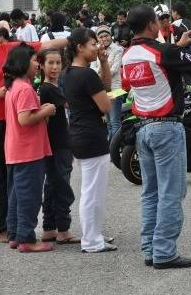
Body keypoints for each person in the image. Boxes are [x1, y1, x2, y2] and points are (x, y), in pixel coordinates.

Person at [0, 14, 67, 243]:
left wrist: (76, 38)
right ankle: (0, 227)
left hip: (12, 120)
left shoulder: (9, 49)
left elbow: (45, 46)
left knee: (13, 177)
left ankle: (14, 226)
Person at [122, 5, 191, 269]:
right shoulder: (163, 52)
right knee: (172, 193)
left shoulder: (129, 54)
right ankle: (165, 251)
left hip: (143, 128)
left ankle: (151, 249)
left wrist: (178, 45)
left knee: (151, 193)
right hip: (167, 128)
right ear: (152, 24)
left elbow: (156, 69)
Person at [64, 28, 116, 253]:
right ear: (79, 48)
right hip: (92, 135)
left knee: (91, 189)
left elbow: (104, 87)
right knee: (92, 191)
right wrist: (109, 98)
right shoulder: (85, 74)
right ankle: (92, 240)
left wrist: (104, 63)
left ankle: (94, 234)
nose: (98, 48)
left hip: (79, 133)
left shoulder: (69, 73)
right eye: (93, 44)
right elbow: (105, 105)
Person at [2, 43, 56, 253]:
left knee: (16, 194)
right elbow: (25, 119)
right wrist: (47, 110)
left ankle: (15, 234)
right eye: (35, 61)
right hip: (28, 151)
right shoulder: (24, 88)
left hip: (16, 150)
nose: (38, 65)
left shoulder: (14, 86)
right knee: (29, 196)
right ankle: (26, 239)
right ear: (24, 63)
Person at [38, 48, 80, 245]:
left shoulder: (53, 87)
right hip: (58, 144)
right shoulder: (49, 89)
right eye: (50, 63)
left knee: (52, 185)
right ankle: (63, 229)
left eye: (57, 63)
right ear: (41, 65)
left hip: (55, 143)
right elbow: (72, 105)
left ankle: (49, 228)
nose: (55, 67)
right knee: (61, 185)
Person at [90, 26, 123, 139]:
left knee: (114, 121)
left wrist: (101, 71)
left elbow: (114, 69)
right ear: (98, 39)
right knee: (108, 123)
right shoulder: (96, 50)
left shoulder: (118, 49)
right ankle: (111, 150)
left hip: (115, 88)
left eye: (106, 36)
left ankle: (115, 149)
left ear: (110, 36)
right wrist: (102, 70)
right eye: (101, 37)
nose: (104, 39)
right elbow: (92, 67)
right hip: (102, 89)